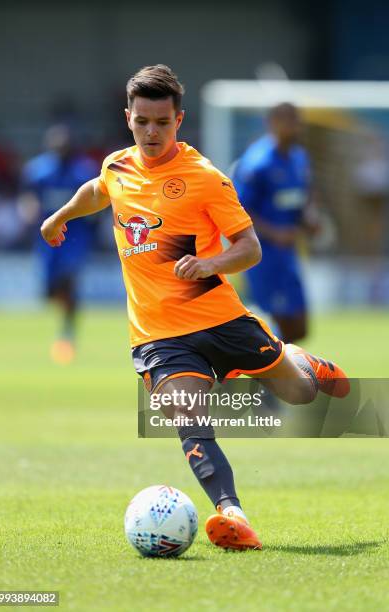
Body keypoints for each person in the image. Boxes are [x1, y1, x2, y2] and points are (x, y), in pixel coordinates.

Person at [40, 65, 348, 550]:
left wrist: (208, 264)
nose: (151, 132)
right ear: (129, 117)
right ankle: (233, 515)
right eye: (142, 121)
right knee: (188, 420)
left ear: (178, 120)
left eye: (162, 122)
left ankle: (300, 360)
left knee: (301, 395)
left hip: (220, 317)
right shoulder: (117, 166)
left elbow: (249, 248)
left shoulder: (204, 178)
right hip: (158, 335)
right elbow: (99, 190)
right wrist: (59, 216)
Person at [233, 103, 319, 343]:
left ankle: (277, 372)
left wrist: (309, 217)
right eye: (287, 120)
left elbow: (305, 194)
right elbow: (238, 209)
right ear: (271, 123)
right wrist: (275, 232)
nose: (294, 126)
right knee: (271, 325)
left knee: (299, 328)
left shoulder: (299, 158)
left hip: (289, 254)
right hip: (262, 255)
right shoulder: (257, 163)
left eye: (296, 120)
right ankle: (267, 374)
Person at [23, 124, 98, 363]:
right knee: (49, 290)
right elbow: (29, 198)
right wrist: (29, 211)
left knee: (69, 281)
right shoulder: (37, 170)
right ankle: (65, 318)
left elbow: (95, 202)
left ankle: (67, 334)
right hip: (47, 238)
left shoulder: (83, 170)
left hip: (75, 238)